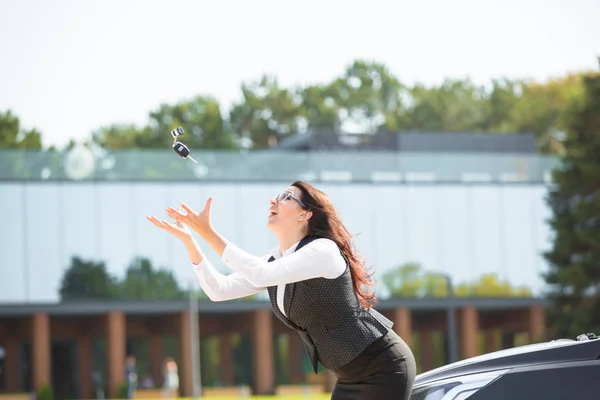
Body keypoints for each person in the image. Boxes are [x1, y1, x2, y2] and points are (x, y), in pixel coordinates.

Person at [147, 181, 416, 399]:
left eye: (286, 197)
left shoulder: (323, 249)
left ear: (305, 214)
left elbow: (260, 273)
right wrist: (190, 241)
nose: (273, 201)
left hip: (384, 368)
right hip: (349, 378)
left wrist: (209, 233)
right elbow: (218, 290)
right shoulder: (276, 260)